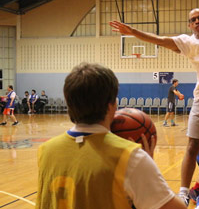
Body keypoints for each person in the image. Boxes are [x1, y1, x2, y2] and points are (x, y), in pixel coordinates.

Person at [110, 0, 199, 207]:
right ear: (189, 25)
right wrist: (132, 32)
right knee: (192, 146)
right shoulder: (186, 42)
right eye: (193, 19)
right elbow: (158, 39)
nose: (198, 21)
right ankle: (184, 193)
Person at [35, 63, 186, 209]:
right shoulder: (131, 157)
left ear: (68, 103)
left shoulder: (45, 151)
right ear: (111, 105)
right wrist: (147, 168)